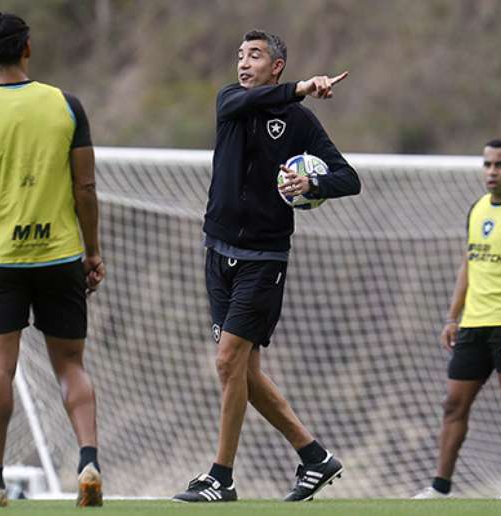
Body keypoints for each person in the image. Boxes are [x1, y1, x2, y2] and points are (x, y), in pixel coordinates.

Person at [173, 29, 361, 503]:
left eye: (255, 56)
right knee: (245, 373)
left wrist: (312, 186)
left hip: (264, 259)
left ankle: (221, 477)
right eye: (240, 55)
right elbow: (248, 101)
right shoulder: (230, 102)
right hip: (217, 252)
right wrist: (302, 86)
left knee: (227, 362)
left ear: (275, 65)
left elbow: (348, 178)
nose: (243, 62)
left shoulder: (298, 123)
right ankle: (315, 457)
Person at [0, 11, 105, 508]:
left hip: (1, 261)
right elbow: (85, 187)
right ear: (28, 49)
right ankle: (89, 462)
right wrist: (93, 249)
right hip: (60, 255)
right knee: (71, 366)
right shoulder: (66, 105)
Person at [414, 139, 501, 500]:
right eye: (488, 164)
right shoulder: (476, 209)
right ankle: (440, 487)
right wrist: (452, 317)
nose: (492, 172)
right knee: (454, 404)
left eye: (500, 165)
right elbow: (468, 265)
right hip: (473, 324)